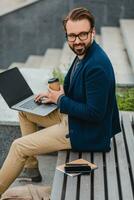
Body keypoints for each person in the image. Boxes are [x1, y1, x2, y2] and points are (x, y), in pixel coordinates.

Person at [0, 7, 121, 196]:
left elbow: (95, 114)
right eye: (72, 36)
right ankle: (31, 169)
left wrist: (61, 99)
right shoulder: (84, 54)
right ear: (67, 35)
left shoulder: (96, 66)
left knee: (18, 146)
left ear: (93, 32)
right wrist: (54, 97)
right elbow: (82, 93)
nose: (77, 41)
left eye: (82, 34)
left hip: (84, 132)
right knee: (24, 111)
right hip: (73, 119)